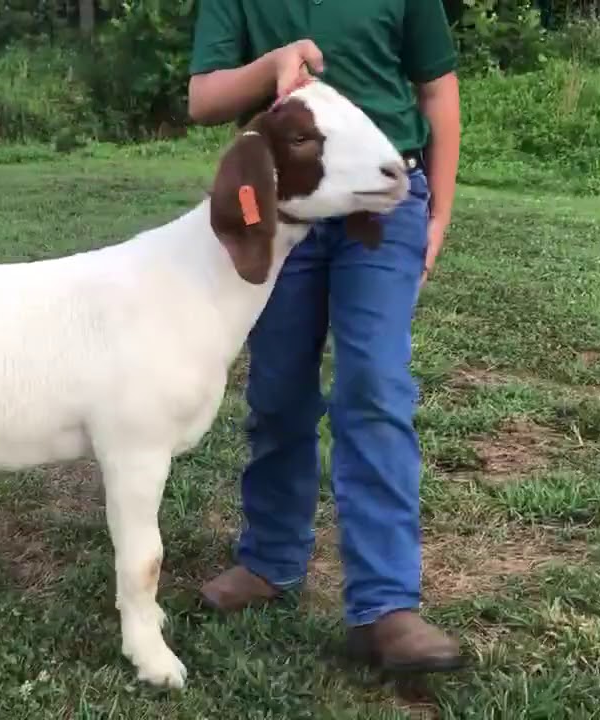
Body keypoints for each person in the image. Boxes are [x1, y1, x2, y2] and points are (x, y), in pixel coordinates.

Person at [187, 1, 467, 672]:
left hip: (383, 200)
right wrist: (272, 67)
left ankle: (386, 606)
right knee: (279, 388)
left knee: (373, 384)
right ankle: (269, 560)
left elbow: (437, 88)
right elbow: (203, 97)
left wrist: (440, 216)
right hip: (288, 206)